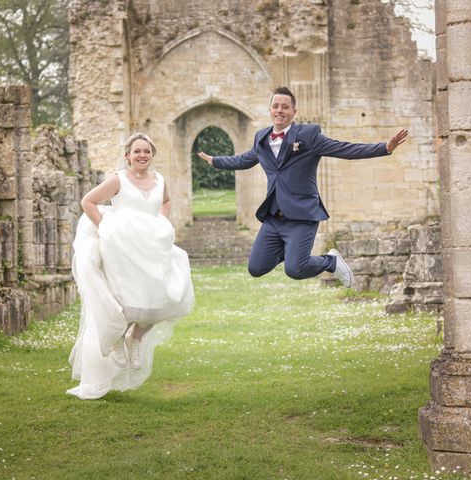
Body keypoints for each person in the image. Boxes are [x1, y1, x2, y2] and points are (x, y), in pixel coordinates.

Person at [198, 86, 408, 288]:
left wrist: (384, 148)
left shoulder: (308, 136)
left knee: (295, 269)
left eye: (285, 107)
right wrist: (216, 161)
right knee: (256, 267)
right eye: (276, 106)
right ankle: (291, 252)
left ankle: (330, 262)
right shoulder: (261, 138)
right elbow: (244, 160)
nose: (280, 110)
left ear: (294, 111)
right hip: (274, 218)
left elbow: (343, 149)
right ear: (270, 109)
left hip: (301, 216)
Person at [67, 133, 195, 400]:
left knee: (167, 296)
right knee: (123, 302)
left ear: (152, 154)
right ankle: (115, 339)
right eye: (137, 151)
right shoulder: (119, 179)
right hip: (122, 250)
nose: (142, 155)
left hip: (151, 249)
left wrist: (161, 222)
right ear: (128, 156)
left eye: (146, 151)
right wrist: (105, 227)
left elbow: (167, 201)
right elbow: (88, 201)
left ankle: (134, 337)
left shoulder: (159, 180)